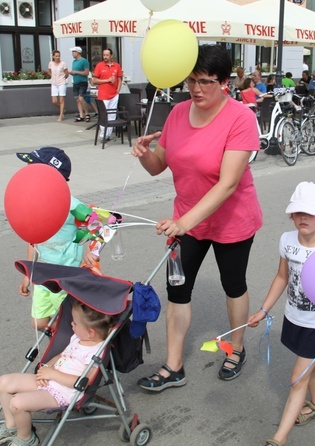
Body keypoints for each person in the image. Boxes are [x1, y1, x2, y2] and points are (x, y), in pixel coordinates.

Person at [131, 44, 262, 391]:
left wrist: (184, 223)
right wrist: (144, 155)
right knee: (177, 288)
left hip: (230, 219)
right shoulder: (177, 114)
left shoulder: (241, 117)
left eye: (205, 81)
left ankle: (236, 348)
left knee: (233, 284)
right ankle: (174, 366)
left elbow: (229, 183)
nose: (197, 89)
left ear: (225, 83)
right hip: (186, 219)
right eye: (191, 81)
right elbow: (159, 165)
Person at [248, 181, 315, 446]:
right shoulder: (286, 240)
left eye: (310, 212)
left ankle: (278, 438)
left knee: (297, 378)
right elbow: (282, 277)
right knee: (307, 363)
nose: (302, 218)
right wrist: (263, 310)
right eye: (297, 212)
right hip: (294, 318)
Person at [0, 300, 117, 446]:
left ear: (91, 332)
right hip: (50, 378)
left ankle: (26, 438)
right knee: (4, 382)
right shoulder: (77, 338)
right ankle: (12, 426)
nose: (71, 324)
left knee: (17, 403)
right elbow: (61, 356)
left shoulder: (95, 352)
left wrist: (52, 374)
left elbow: (83, 382)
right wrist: (46, 368)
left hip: (63, 392)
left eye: (75, 324)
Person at [16, 147, 94, 330]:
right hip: (43, 273)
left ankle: (72, 348)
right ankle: (65, 341)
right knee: (39, 323)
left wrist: (89, 250)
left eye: (33, 170)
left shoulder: (72, 205)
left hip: (66, 275)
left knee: (70, 323)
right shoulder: (35, 204)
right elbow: (32, 239)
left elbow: (98, 224)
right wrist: (29, 272)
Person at [92, 48, 122, 142]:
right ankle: (103, 135)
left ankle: (108, 135)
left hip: (114, 94)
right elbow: (94, 80)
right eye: (104, 55)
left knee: (112, 114)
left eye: (107, 55)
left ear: (111, 55)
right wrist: (107, 80)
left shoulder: (116, 66)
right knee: (103, 115)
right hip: (103, 95)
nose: (105, 57)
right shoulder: (99, 66)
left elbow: (120, 78)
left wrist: (118, 90)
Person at [70, 47, 91, 123]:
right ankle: (81, 115)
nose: (72, 53)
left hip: (82, 82)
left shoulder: (84, 61)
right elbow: (75, 72)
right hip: (75, 82)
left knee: (81, 98)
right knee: (77, 99)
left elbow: (86, 73)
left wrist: (76, 72)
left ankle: (87, 113)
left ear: (78, 52)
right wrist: (72, 73)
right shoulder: (74, 62)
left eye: (73, 52)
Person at [47, 50, 69, 122]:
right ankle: (62, 109)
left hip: (61, 83)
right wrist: (52, 76)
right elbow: (49, 72)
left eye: (58, 56)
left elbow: (67, 73)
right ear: (53, 56)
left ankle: (61, 115)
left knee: (61, 100)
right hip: (54, 83)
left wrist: (63, 79)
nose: (57, 57)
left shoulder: (63, 64)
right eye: (56, 56)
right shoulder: (51, 63)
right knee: (54, 101)